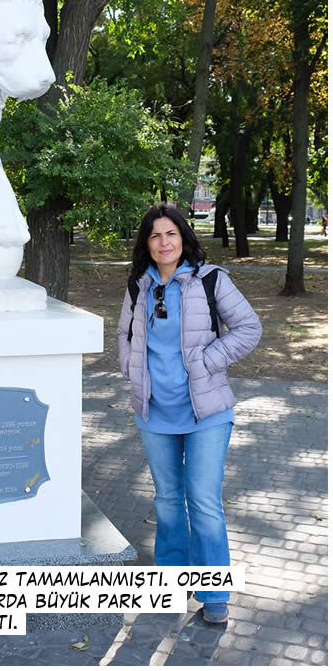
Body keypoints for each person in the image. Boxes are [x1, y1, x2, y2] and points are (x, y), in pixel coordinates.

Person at [117, 204, 262, 624]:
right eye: (155, 235)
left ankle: (214, 594)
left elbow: (250, 328)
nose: (164, 242)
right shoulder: (139, 285)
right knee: (167, 500)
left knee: (203, 501)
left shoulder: (211, 280)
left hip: (206, 413)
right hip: (154, 413)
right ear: (146, 244)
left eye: (171, 234)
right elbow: (124, 334)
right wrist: (131, 369)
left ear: (183, 238)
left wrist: (205, 361)